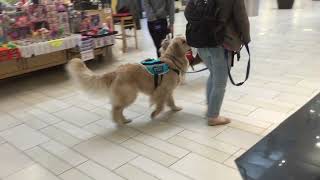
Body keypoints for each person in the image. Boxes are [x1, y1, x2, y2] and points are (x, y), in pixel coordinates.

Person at [185, 0, 251, 126]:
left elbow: (188, 12)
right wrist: (246, 39)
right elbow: (242, 19)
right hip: (222, 42)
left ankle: (210, 108)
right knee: (220, 82)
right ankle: (213, 116)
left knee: (214, 74)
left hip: (200, 41)